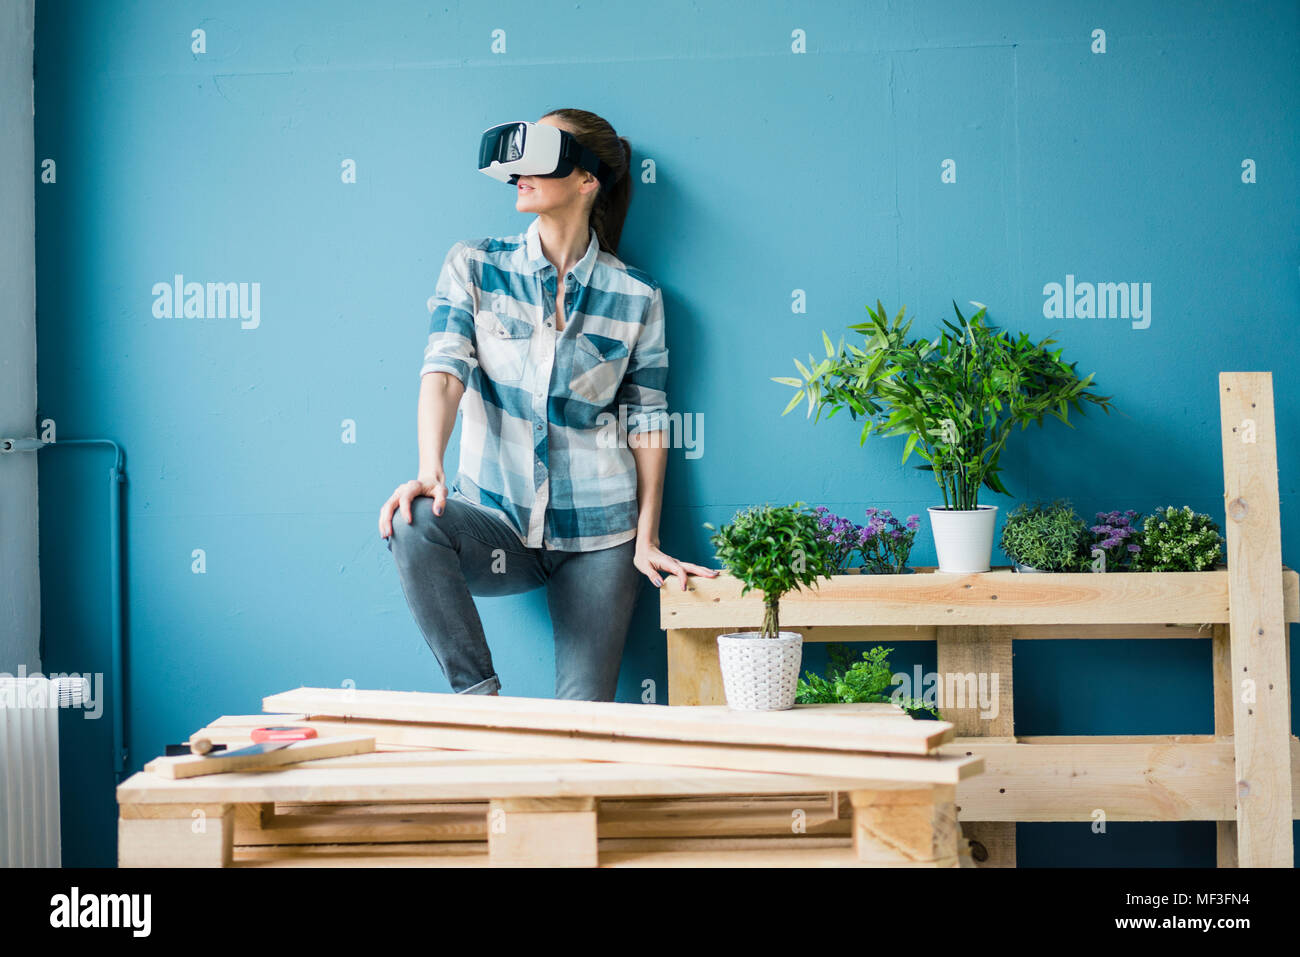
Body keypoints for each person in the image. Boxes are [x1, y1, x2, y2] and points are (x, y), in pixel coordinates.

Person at [378, 108, 717, 701]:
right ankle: (479, 705)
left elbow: (648, 420)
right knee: (412, 525)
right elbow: (444, 371)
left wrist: (647, 536)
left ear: (587, 179)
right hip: (498, 522)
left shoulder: (638, 297)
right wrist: (429, 471)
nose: (518, 174)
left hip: (600, 536)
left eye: (539, 155)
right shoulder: (475, 266)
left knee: (584, 720)